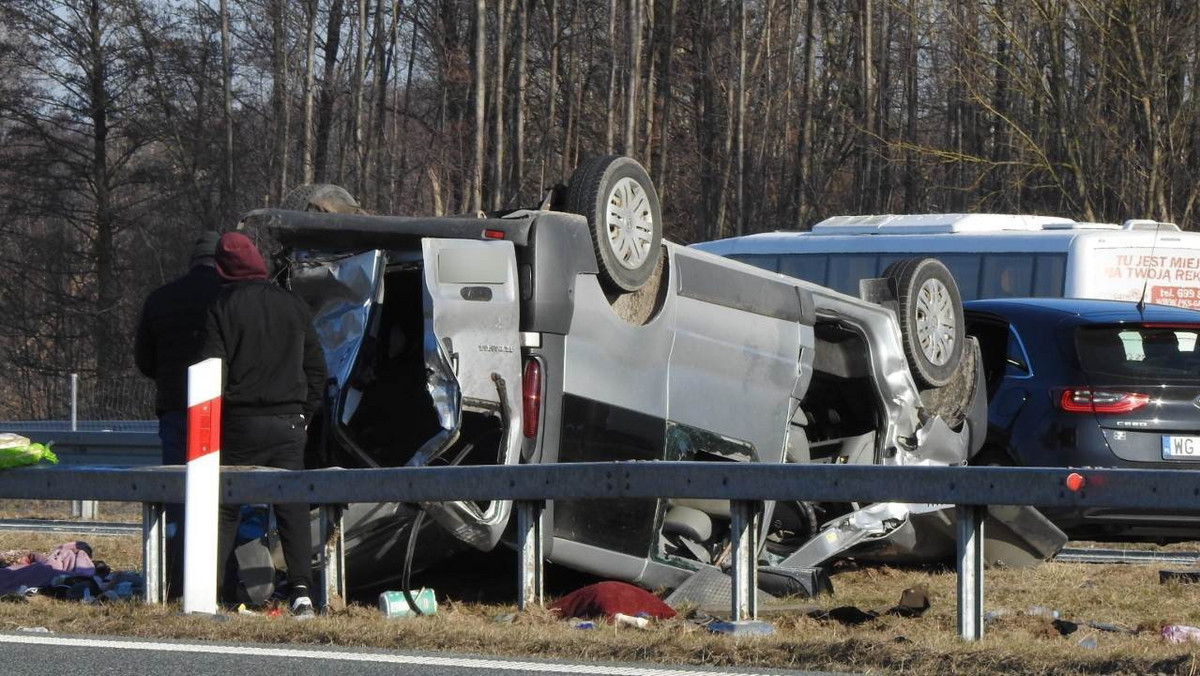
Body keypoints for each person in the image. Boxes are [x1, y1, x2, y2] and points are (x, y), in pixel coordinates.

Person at [201, 231, 326, 617]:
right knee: (291, 506)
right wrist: (303, 413)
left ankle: (214, 590)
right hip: (288, 421)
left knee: (226, 508)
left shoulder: (221, 308)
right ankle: (302, 591)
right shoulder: (293, 305)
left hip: (239, 422)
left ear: (223, 270)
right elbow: (317, 369)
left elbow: (211, 372)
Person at [134, 231, 223, 600]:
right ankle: (221, 578)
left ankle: (173, 579)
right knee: (226, 496)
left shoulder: (160, 299)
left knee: (176, 496)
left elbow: (145, 360)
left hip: (175, 409)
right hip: (221, 413)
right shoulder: (229, 297)